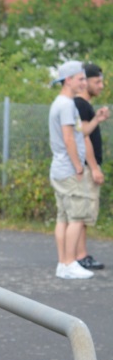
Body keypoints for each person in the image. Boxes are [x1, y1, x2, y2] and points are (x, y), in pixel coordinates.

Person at [49, 60, 100, 279]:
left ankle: (63, 263)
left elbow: (80, 132)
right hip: (69, 170)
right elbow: (70, 138)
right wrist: (79, 167)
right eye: (80, 78)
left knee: (63, 217)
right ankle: (69, 263)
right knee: (77, 217)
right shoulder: (67, 105)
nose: (83, 82)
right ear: (68, 80)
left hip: (60, 169)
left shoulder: (60, 103)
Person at [73, 63, 111, 269]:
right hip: (86, 168)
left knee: (85, 214)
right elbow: (83, 137)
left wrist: (98, 118)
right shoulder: (80, 104)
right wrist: (94, 167)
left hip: (88, 167)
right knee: (82, 212)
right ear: (85, 81)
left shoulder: (85, 106)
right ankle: (79, 256)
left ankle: (81, 254)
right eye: (97, 81)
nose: (101, 85)